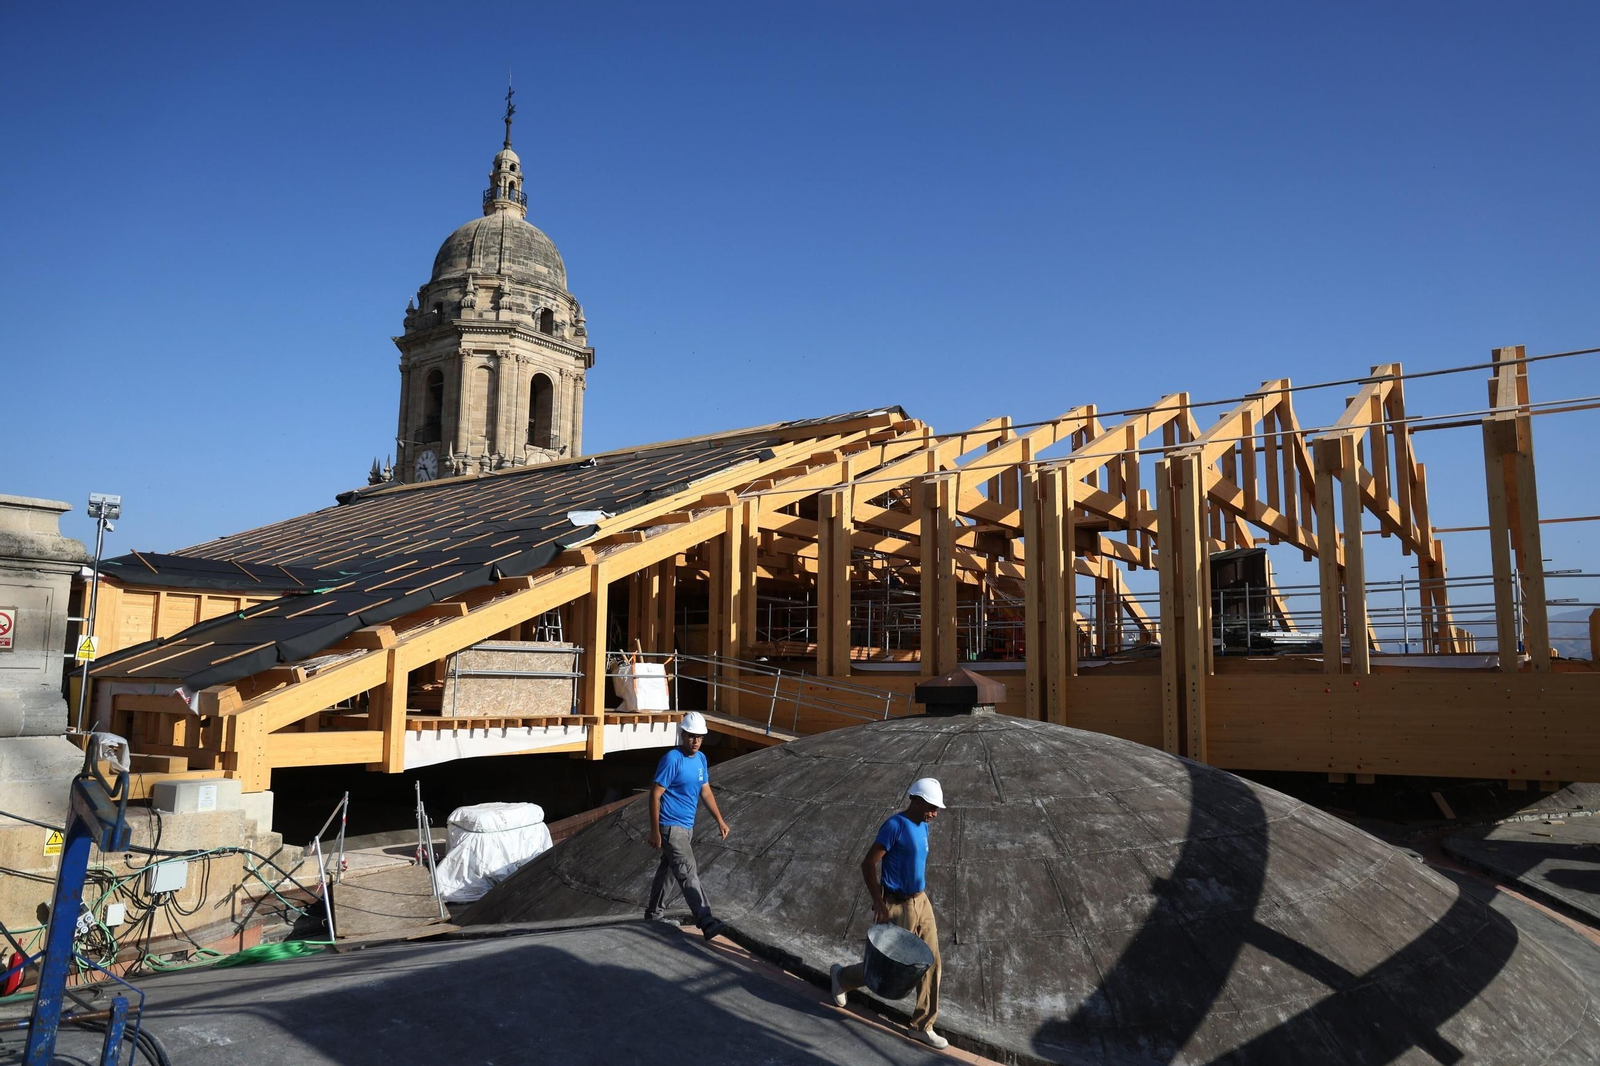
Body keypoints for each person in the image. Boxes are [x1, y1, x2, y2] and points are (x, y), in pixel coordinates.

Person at [830, 777, 948, 1050]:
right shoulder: (895, 825)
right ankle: (842, 977)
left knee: (931, 963)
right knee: (892, 968)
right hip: (897, 904)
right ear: (916, 801)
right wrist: (879, 902)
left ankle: (922, 1026)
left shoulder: (923, 827)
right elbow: (868, 864)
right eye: (932, 806)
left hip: (922, 901)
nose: (935, 813)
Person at [644, 711, 730, 937]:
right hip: (670, 826)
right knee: (688, 870)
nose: (695, 741)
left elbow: (706, 791)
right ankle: (706, 920)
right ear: (683, 734)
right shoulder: (672, 759)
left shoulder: (701, 759)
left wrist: (719, 820)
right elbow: (655, 794)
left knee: (670, 872)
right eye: (691, 736)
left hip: (687, 826)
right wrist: (655, 830)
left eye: (700, 737)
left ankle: (653, 915)